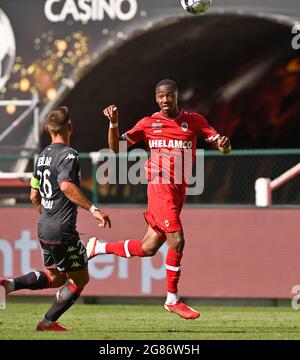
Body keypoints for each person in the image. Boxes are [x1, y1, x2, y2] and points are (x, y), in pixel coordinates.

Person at [87, 79, 231, 320]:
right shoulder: (148, 123)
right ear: (156, 99)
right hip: (159, 185)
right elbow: (116, 149)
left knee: (148, 247)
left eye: (169, 96)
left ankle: (97, 247)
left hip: (178, 190)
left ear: (177, 96)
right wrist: (113, 124)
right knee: (178, 241)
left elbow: (222, 146)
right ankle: (172, 299)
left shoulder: (194, 121)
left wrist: (225, 146)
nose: (165, 100)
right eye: (161, 96)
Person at [0, 106, 111, 331]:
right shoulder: (69, 154)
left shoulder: (41, 157)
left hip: (45, 226)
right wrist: (93, 209)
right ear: (70, 126)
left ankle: (8, 285)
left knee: (57, 278)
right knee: (80, 280)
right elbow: (66, 186)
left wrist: (47, 215)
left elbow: (33, 194)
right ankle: (46, 323)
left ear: (46, 129)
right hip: (62, 229)